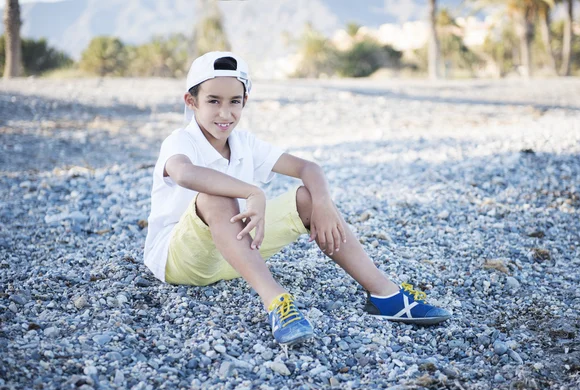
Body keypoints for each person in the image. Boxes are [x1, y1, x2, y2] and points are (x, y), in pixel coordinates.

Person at [143, 51, 451, 346]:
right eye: (213, 101)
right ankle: (277, 302)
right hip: (180, 261)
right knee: (216, 196)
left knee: (307, 197)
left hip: (233, 255)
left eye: (234, 101)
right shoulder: (180, 141)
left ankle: (386, 295)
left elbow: (308, 167)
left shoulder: (243, 142)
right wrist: (252, 192)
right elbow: (183, 173)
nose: (225, 113)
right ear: (191, 101)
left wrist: (324, 205)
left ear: (245, 101)